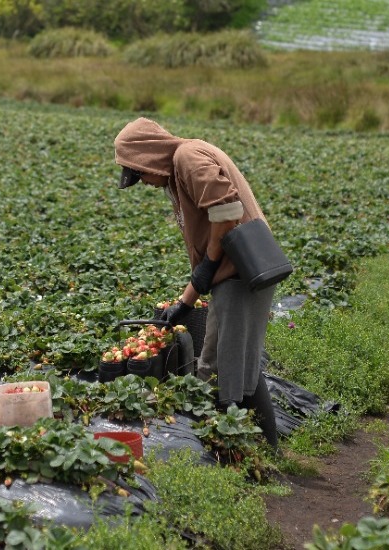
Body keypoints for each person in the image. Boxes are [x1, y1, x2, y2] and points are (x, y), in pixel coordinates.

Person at [113, 117, 279, 448]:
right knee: (236, 357)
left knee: (216, 367)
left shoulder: (186, 158)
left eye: (140, 173)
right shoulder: (179, 165)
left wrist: (211, 264)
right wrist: (184, 303)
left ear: (149, 156)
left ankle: (230, 448)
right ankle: (267, 449)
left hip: (240, 272)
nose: (143, 182)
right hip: (238, 271)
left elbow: (228, 209)